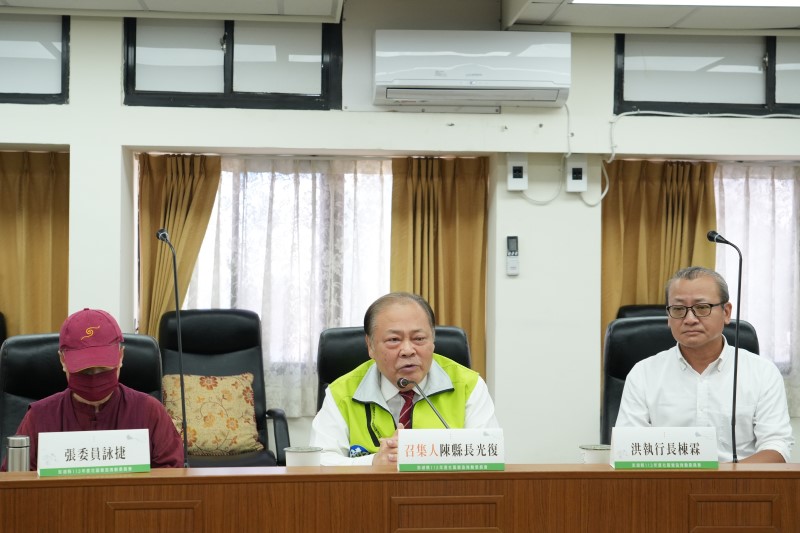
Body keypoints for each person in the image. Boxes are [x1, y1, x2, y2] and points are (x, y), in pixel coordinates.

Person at [615, 266, 793, 463]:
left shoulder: (763, 373)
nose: (690, 319)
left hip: (739, 481)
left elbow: (776, 448)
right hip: (667, 481)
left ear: (726, 312)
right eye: (678, 309)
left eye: (702, 308)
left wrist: (720, 478)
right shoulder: (643, 374)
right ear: (668, 316)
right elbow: (627, 451)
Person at [310, 292, 500, 466]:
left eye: (419, 338)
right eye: (394, 340)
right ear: (370, 346)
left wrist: (422, 455)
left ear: (433, 340)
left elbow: (489, 456)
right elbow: (318, 461)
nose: (408, 350)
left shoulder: (468, 386)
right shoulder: (342, 392)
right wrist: (373, 462)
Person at [1, 308, 184, 471]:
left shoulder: (149, 412)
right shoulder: (39, 418)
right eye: (84, 370)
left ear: (120, 356)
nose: (94, 377)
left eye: (103, 369)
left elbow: (171, 482)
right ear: (63, 360)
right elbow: (14, 489)